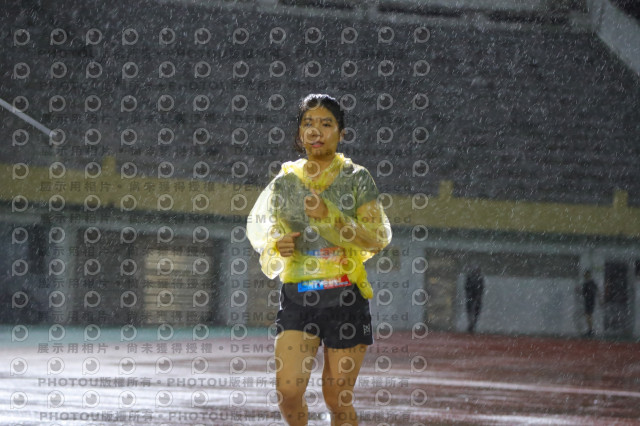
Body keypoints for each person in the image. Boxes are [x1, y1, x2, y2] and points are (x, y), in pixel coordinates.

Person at [247, 93, 392, 426]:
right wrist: (277, 244)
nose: (315, 131)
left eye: (326, 124)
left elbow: (377, 237)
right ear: (299, 134)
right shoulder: (285, 182)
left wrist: (331, 217)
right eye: (308, 124)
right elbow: (264, 230)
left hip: (345, 298)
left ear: (341, 133)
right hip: (298, 297)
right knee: (288, 391)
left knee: (337, 398)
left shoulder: (357, 178)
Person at [464, 266, 484, 333]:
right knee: (471, 310)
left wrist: (478, 295)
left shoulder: (479, 278)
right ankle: (471, 324)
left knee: (475, 311)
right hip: (471, 296)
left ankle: (472, 324)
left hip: (475, 297)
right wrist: (470, 294)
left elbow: (481, 288)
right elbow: (467, 287)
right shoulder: (471, 277)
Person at [581, 270, 598, 337]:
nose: (585, 276)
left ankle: (590, 330)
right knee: (588, 316)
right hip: (589, 301)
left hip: (589, 301)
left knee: (588, 315)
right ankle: (590, 330)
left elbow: (588, 293)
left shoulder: (589, 283)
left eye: (586, 275)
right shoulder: (590, 283)